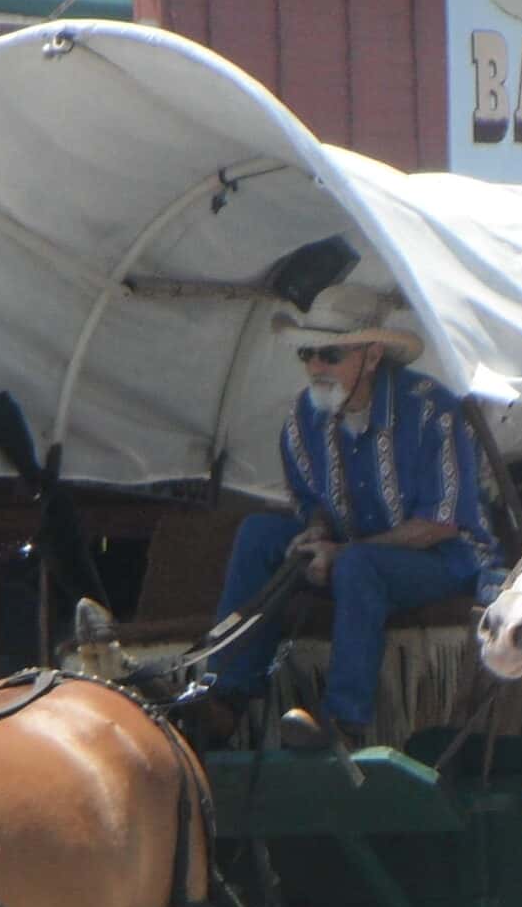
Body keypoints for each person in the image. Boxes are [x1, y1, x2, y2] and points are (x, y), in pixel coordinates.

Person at [174, 284, 499, 751]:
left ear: (371, 356)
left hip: (441, 561)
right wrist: (315, 536)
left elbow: (441, 523)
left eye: (330, 355)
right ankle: (225, 697)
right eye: (308, 354)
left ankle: (343, 722)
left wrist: (344, 551)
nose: (315, 368)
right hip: (352, 550)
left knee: (357, 567)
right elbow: (311, 501)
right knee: (260, 533)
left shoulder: (432, 412)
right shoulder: (304, 418)